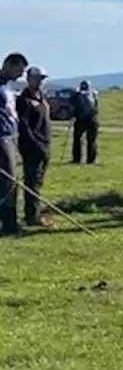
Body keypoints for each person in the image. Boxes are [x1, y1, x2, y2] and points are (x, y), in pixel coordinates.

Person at [16, 66, 52, 228]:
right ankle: (32, 216)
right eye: (38, 78)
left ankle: (34, 213)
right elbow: (24, 128)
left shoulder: (42, 97)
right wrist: (36, 145)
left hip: (45, 146)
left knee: (38, 182)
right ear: (29, 79)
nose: (40, 82)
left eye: (42, 79)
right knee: (32, 183)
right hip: (32, 148)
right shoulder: (24, 100)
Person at [0, 53, 29, 236]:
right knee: (7, 182)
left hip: (12, 136)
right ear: (9, 65)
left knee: (11, 181)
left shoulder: (7, 86)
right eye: (19, 70)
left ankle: (10, 222)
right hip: (1, 137)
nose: (20, 75)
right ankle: (9, 224)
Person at [71, 79, 99, 165]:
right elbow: (96, 106)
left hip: (81, 119)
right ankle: (91, 160)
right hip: (92, 119)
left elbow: (72, 102)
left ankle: (77, 159)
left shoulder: (78, 94)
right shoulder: (94, 94)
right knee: (91, 140)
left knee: (77, 139)